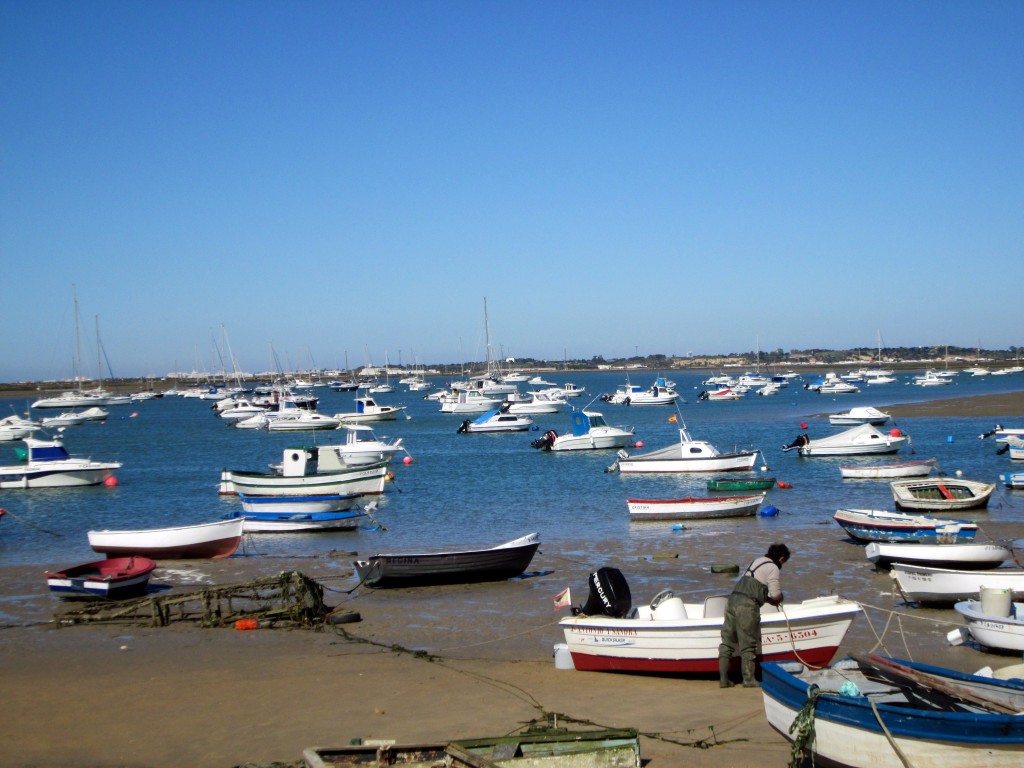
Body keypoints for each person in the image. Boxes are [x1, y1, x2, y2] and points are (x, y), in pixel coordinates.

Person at [717, 543, 791, 688]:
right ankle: (748, 680)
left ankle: (723, 680)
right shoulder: (773, 567)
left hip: (732, 601)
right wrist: (779, 598)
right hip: (747, 607)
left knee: (727, 642)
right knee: (748, 644)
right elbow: (775, 594)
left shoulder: (757, 561)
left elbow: (753, 587)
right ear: (781, 558)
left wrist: (767, 599)